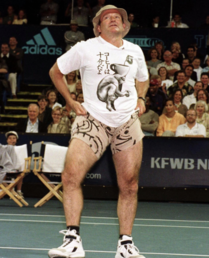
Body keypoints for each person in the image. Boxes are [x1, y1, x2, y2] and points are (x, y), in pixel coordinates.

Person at [48, 4, 149, 258]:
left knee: (130, 185)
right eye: (107, 18)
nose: (113, 20)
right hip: (92, 119)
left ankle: (125, 245)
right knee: (70, 176)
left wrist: (142, 98)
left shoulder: (135, 51)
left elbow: (143, 78)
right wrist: (70, 101)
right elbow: (55, 71)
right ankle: (72, 241)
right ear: (98, 27)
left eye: (118, 18)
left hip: (127, 121)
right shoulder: (85, 48)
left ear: (125, 27)